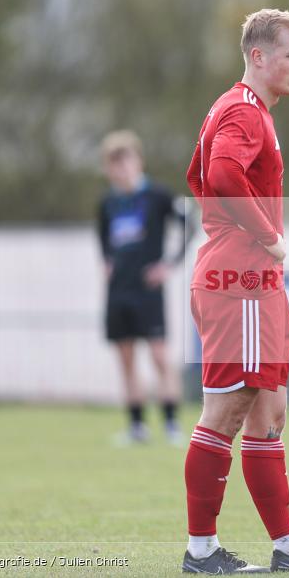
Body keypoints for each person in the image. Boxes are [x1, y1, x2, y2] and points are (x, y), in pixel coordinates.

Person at [181, 9, 289, 574]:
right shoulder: (243, 110)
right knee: (227, 412)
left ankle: (288, 549)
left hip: (256, 282)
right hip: (242, 281)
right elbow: (224, 176)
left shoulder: (245, 110)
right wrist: (268, 237)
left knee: (269, 413)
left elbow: (200, 175)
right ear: (258, 56)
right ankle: (201, 552)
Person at [97, 130, 187, 445]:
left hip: (148, 291)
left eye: (126, 162)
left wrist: (169, 265)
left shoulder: (158, 196)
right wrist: (107, 262)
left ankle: (172, 424)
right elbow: (104, 241)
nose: (121, 169)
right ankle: (137, 427)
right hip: (118, 292)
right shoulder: (107, 203)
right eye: (114, 164)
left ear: (138, 162)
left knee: (160, 357)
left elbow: (189, 224)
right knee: (126, 360)